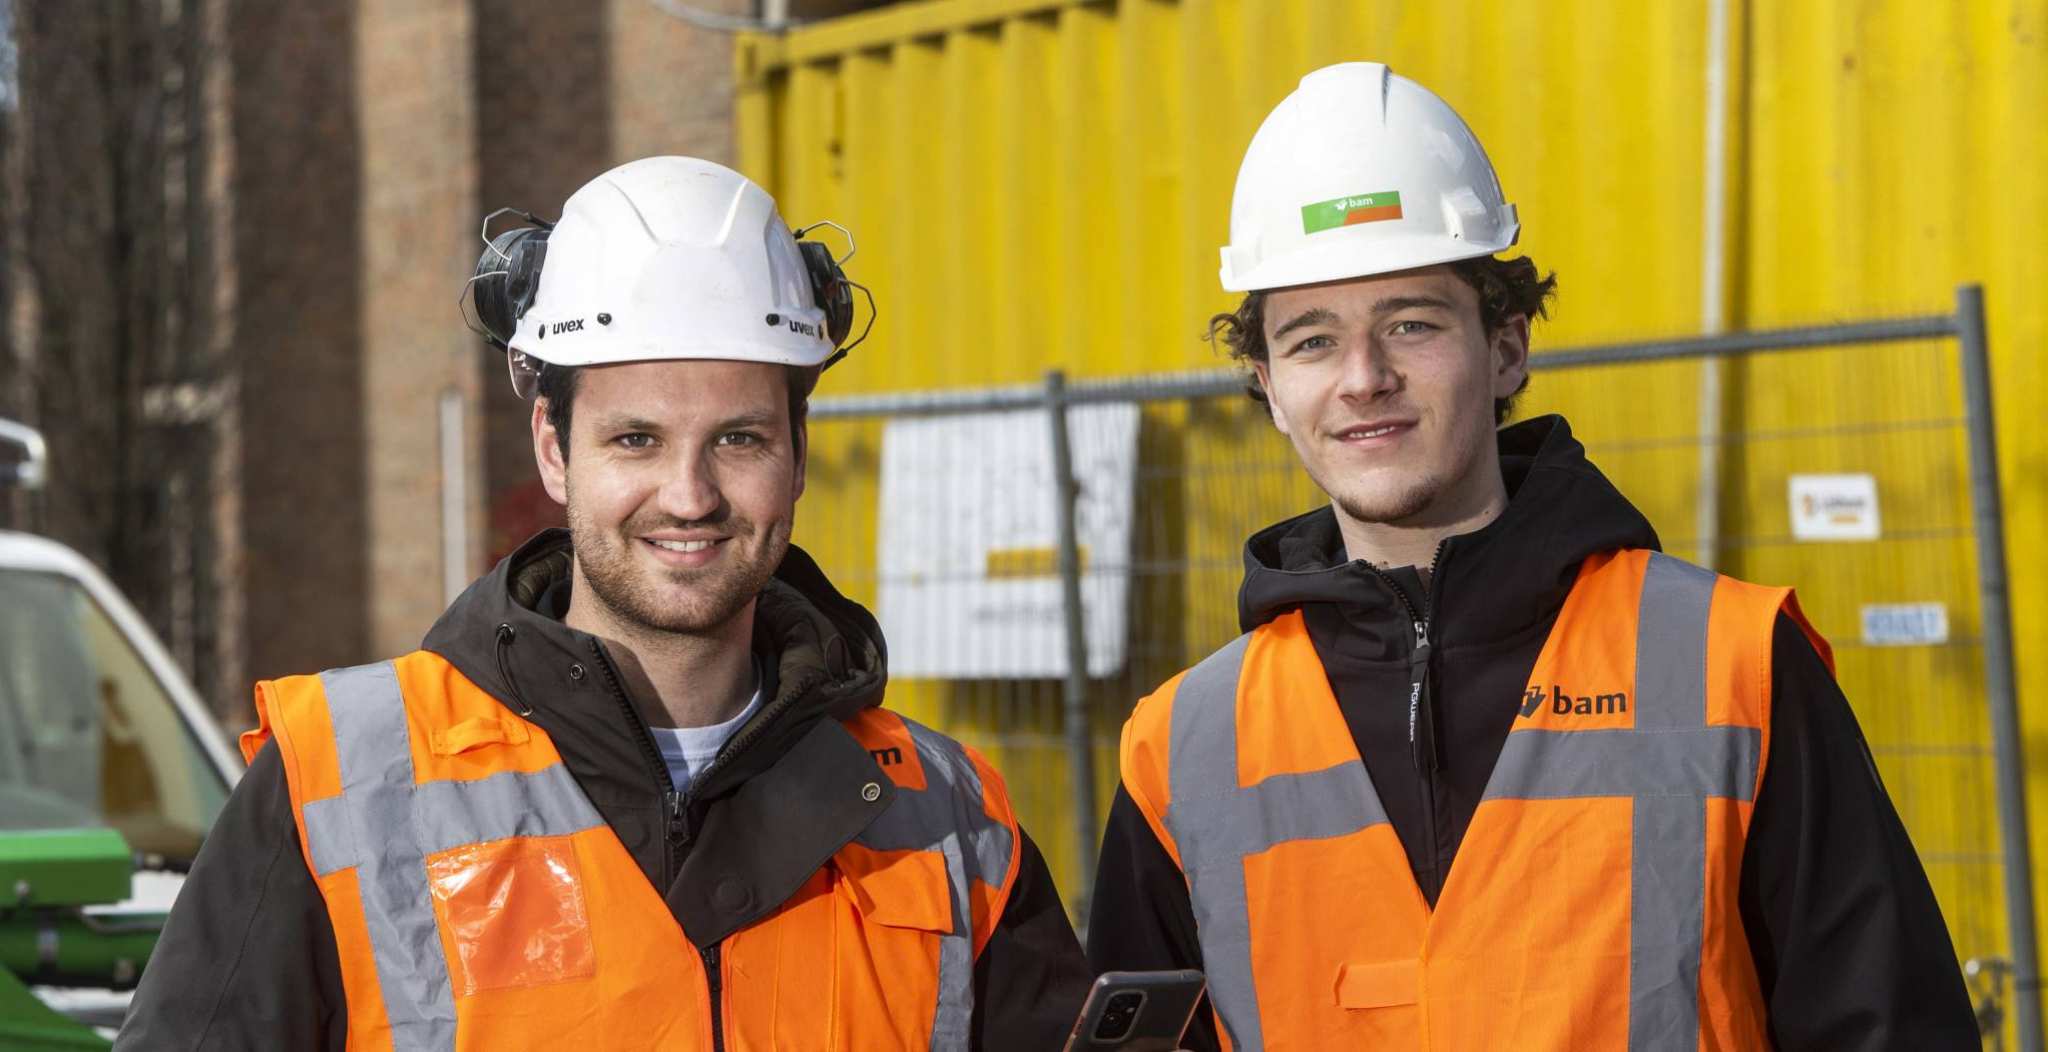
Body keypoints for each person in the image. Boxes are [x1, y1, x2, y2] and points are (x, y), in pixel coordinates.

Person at [1086, 62, 1978, 1050]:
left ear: (1505, 346)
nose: (1362, 377)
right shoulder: (1179, 748)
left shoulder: (1731, 664)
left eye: (1410, 324)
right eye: (1309, 341)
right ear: (1267, 384)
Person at [117, 156, 1090, 1051]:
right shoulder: (340, 785)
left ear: (797, 453)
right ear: (553, 446)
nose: (689, 493)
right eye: (634, 439)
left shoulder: (945, 815)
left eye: (738, 439)